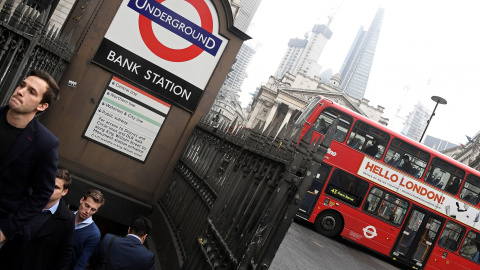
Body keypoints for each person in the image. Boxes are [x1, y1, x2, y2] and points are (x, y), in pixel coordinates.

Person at [0, 69, 60, 247]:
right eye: (22, 85)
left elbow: (42, 194)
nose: (20, 91)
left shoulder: (45, 143)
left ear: (41, 106)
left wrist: (4, 231)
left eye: (31, 91)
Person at [0, 168, 75, 269]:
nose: (49, 189)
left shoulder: (67, 219)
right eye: (48, 183)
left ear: (64, 192)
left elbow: (64, 255)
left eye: (56, 187)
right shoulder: (26, 200)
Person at [90, 216, 156, 270]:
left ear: (129, 230)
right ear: (145, 236)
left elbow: (93, 262)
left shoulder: (108, 239)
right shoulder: (148, 257)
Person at [70, 189, 105, 270]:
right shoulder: (66, 216)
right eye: (87, 205)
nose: (88, 211)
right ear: (81, 200)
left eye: (93, 210)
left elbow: (82, 263)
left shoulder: (94, 234)